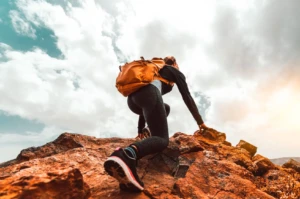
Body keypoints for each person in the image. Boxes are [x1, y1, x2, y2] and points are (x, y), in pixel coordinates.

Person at [104, 56, 209, 192]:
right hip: (149, 95)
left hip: (133, 100)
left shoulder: (155, 70)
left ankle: (126, 174)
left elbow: (144, 99)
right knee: (161, 140)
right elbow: (187, 96)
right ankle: (126, 155)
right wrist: (200, 122)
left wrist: (140, 128)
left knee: (165, 108)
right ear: (175, 63)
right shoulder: (174, 71)